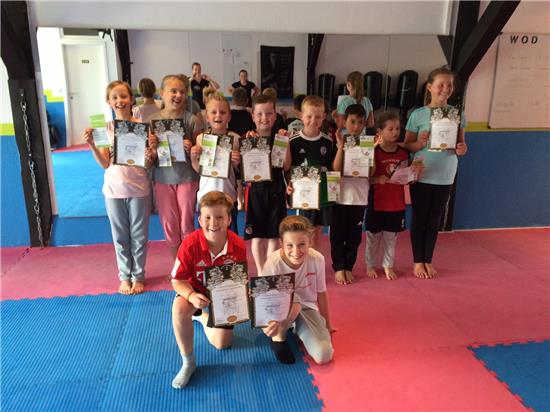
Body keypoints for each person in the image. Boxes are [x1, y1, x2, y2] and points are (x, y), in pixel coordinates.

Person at [82, 80, 157, 295]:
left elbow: (148, 164)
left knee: (139, 236)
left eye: (123, 96)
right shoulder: (104, 129)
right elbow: (105, 163)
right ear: (108, 101)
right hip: (114, 190)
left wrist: (150, 153)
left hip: (139, 188)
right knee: (120, 237)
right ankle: (125, 276)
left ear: (131, 99)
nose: (119, 101)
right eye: (114, 97)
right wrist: (92, 144)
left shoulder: (142, 128)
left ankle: (138, 275)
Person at [170, 191, 247, 388]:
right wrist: (191, 295)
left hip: (224, 294)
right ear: (200, 220)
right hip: (196, 289)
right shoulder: (189, 244)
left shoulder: (238, 245)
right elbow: (177, 281)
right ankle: (188, 362)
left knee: (222, 344)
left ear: (229, 219)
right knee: (179, 309)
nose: (214, 223)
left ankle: (202, 317)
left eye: (219, 217)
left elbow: (240, 281)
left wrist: (243, 304)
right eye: (208, 217)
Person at [403, 66, 467, 279]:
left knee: (434, 220)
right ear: (430, 87)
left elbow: (461, 145)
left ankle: (428, 260)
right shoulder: (418, 115)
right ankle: (417, 261)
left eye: (449, 85)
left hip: (445, 173)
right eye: (441, 85)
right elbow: (407, 145)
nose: (445, 89)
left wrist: (461, 149)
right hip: (422, 172)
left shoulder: (457, 114)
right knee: (420, 217)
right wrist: (419, 143)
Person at [261, 215, 333, 365]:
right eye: (290, 245)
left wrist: (327, 324)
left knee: (324, 354)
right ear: (281, 244)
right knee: (294, 300)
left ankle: (296, 326)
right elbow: (265, 300)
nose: (296, 251)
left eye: (301, 244)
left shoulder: (317, 259)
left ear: (310, 242)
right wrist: (269, 325)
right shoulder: (273, 263)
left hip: (307, 308)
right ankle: (279, 338)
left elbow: (321, 293)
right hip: (279, 309)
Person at [149, 75, 201, 260]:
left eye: (182, 92)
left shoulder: (192, 120)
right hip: (163, 178)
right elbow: (149, 157)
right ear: (162, 93)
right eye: (173, 91)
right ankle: (177, 266)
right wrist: (152, 148)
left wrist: (192, 147)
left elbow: (201, 152)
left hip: (187, 178)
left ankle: (188, 264)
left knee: (186, 224)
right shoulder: (152, 121)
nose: (178, 95)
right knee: (169, 225)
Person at [243, 94, 291, 274]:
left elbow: (286, 166)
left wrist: (285, 144)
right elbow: (241, 169)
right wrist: (249, 144)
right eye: (260, 114)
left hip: (276, 191)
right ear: (253, 116)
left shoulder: (280, 139)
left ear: (275, 116)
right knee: (257, 236)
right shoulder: (248, 139)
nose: (265, 118)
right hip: (256, 192)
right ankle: (260, 272)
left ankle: (269, 272)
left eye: (269, 113)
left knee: (273, 236)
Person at [365, 111, 412, 280]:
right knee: (373, 237)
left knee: (391, 238)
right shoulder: (374, 152)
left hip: (396, 204)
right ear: (380, 131)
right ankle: (370, 264)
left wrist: (413, 174)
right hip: (377, 203)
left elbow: (409, 178)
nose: (395, 132)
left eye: (397, 128)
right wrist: (377, 179)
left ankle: (388, 265)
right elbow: (365, 178)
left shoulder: (404, 153)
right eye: (390, 129)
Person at [330, 104, 372, 285]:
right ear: (344, 122)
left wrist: (371, 153)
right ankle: (339, 267)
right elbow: (335, 169)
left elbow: (371, 173)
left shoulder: (367, 144)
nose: (356, 126)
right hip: (340, 197)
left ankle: (348, 266)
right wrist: (341, 147)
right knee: (338, 235)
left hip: (359, 197)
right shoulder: (338, 142)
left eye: (360, 122)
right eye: (352, 122)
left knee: (354, 237)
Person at [288, 95, 338, 246]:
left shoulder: (328, 142)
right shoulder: (293, 141)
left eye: (317, 117)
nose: (313, 120)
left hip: (322, 195)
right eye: (309, 116)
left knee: (318, 230)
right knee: (304, 230)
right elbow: (289, 168)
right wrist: (288, 184)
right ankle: (304, 259)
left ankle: (315, 258)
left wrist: (334, 187)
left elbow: (332, 169)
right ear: (301, 116)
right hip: (303, 194)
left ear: (324, 117)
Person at [190, 93, 241, 234]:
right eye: (213, 112)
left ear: (229, 116)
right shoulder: (201, 138)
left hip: (228, 196)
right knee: (205, 236)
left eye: (223, 112)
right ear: (207, 117)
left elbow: (237, 171)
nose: (218, 115)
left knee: (230, 236)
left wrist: (237, 162)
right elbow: (199, 170)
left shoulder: (235, 139)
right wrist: (193, 158)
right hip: (206, 196)